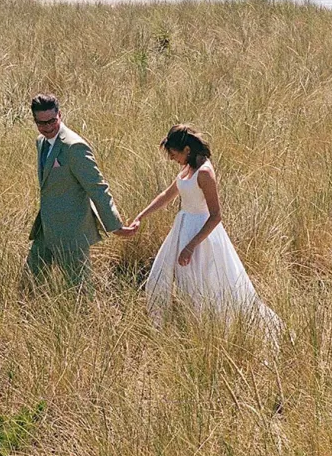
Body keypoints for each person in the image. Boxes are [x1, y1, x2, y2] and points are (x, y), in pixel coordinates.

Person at [130, 124, 281, 345]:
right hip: (182, 228)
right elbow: (167, 194)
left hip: (202, 236)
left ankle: (209, 335)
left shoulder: (204, 173)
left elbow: (216, 215)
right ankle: (175, 331)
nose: (173, 159)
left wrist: (191, 246)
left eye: (174, 154)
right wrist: (140, 216)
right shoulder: (186, 170)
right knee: (160, 279)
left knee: (206, 287)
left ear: (186, 150)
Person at [26, 93, 135, 288]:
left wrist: (114, 224)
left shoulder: (74, 146)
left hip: (72, 231)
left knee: (79, 291)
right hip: (46, 228)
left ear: (60, 115)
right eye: (41, 123)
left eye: (52, 121)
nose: (47, 127)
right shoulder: (40, 142)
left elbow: (97, 187)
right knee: (31, 283)